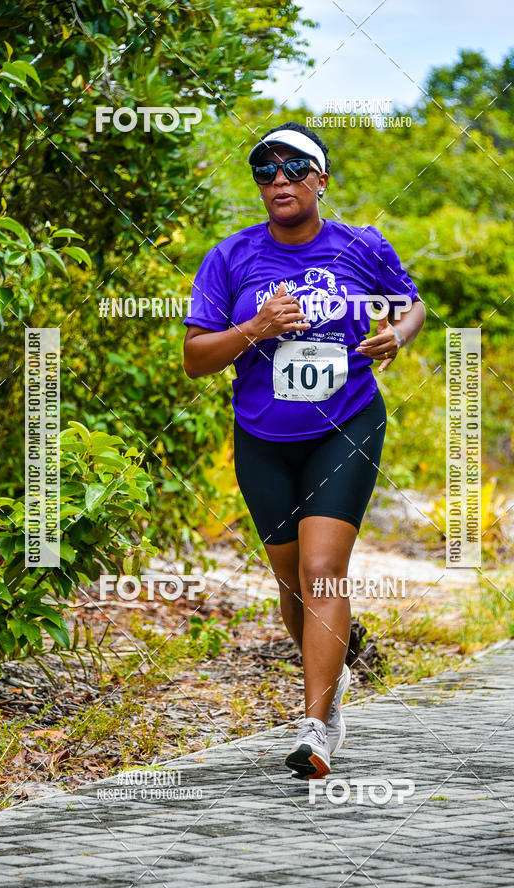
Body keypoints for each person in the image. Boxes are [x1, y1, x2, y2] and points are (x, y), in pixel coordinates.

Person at [182, 122, 425, 779]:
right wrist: (255, 327)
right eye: (266, 171)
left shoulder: (361, 246)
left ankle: (317, 726)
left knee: (322, 569)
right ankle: (332, 669)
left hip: (345, 424)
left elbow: (411, 305)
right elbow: (196, 359)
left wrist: (397, 335)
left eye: (294, 168)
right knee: (292, 584)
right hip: (263, 437)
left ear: (321, 179)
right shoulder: (230, 257)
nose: (279, 180)